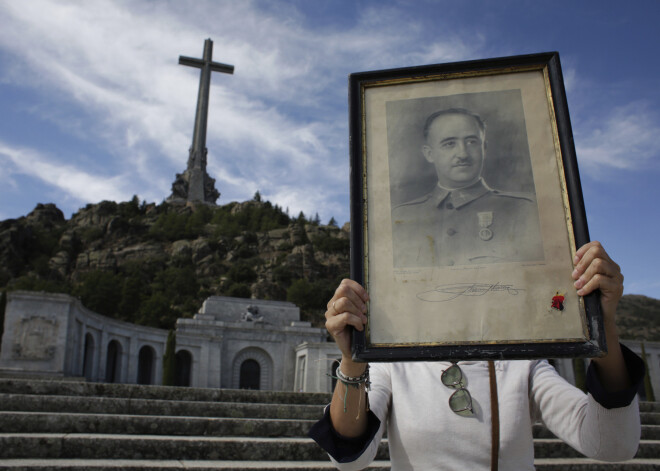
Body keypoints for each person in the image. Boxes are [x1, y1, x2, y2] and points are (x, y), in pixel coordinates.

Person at [309, 241, 643, 470]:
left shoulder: (521, 361)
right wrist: (353, 359)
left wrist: (602, 324)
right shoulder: (396, 363)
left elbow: (612, 444)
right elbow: (351, 459)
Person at [391, 108, 543, 267]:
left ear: (484, 148)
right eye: (449, 144)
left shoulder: (524, 210)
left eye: (471, 142)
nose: (463, 154)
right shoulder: (400, 216)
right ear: (429, 154)